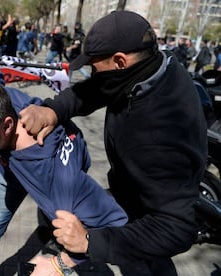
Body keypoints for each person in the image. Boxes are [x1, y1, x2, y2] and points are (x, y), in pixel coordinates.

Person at [19, 11, 207, 275]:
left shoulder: (160, 133)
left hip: (147, 217)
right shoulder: (152, 67)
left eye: (95, 66)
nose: (93, 74)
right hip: (132, 191)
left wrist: (89, 242)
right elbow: (97, 89)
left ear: (120, 60)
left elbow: (175, 228)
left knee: (145, 264)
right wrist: (53, 109)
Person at [0, 50, 128, 276]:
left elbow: (113, 221)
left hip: (54, 180)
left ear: (7, 126)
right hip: (16, 170)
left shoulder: (56, 184)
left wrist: (61, 264)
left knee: (58, 216)